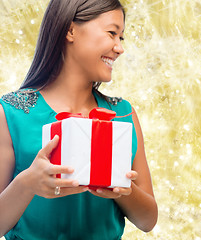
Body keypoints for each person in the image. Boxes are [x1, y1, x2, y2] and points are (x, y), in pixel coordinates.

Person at [0, 0, 158, 239]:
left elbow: (148, 221)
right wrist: (28, 183)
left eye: (121, 38)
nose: (119, 48)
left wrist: (123, 190)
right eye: (112, 33)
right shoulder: (12, 113)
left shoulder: (124, 114)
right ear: (71, 30)